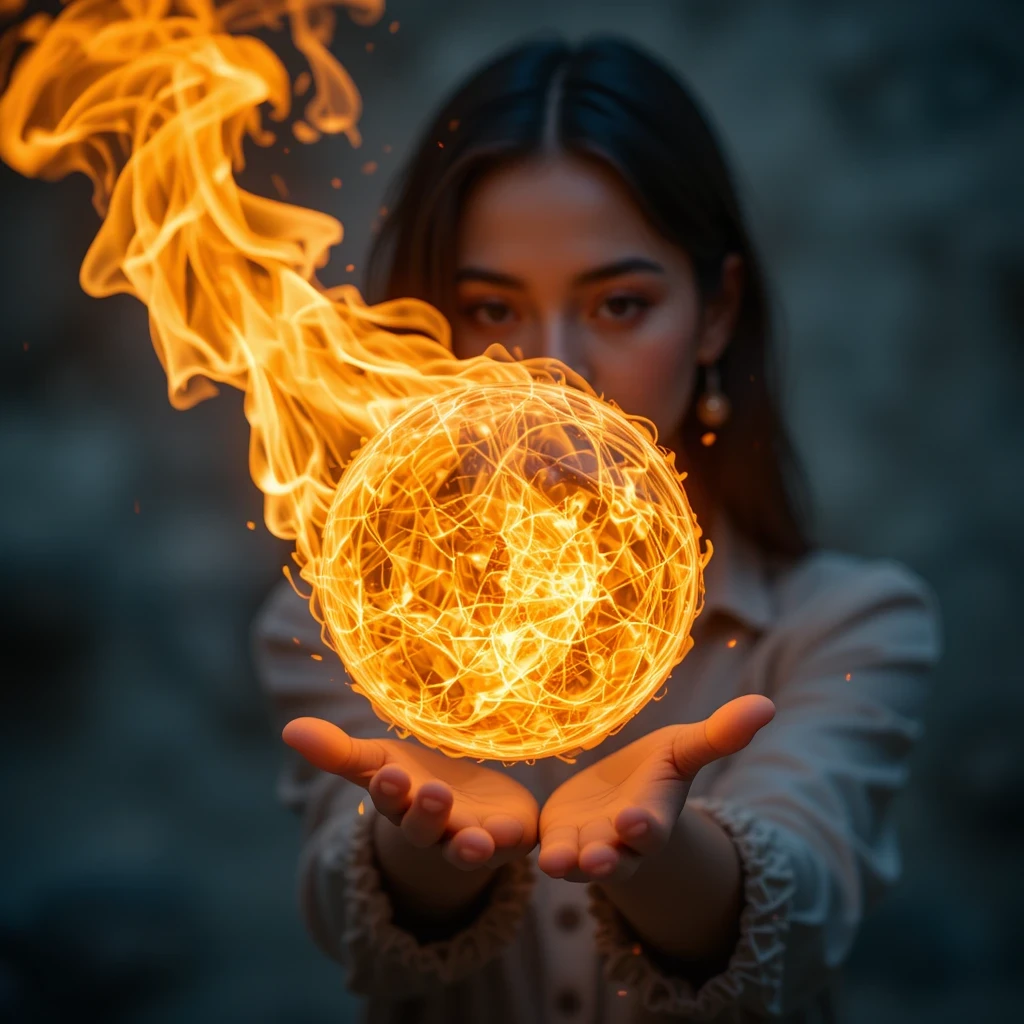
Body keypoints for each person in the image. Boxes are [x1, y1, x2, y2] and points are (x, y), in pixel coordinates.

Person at [251, 37, 942, 1024]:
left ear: (715, 314)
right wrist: (421, 841)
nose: (552, 375)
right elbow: (362, 939)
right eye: (492, 307)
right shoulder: (334, 628)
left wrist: (658, 850)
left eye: (619, 304)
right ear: (422, 330)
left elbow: (800, 919)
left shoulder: (850, 626)